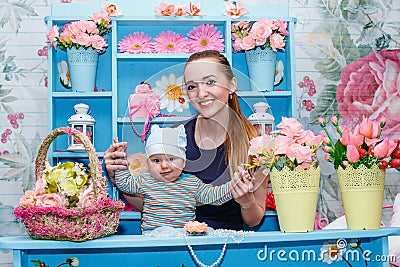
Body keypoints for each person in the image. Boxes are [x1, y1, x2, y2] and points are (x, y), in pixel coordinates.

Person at [104, 50, 268, 230]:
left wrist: (246, 202)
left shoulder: (255, 143)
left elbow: (254, 220)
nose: (201, 93)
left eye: (210, 82)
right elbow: (156, 204)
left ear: (231, 85)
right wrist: (117, 174)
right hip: (177, 244)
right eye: (192, 86)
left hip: (225, 246)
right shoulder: (175, 136)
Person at [114, 124, 237, 232]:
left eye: (171, 159)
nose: (164, 165)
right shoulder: (145, 180)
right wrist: (120, 160)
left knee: (206, 232)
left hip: (184, 238)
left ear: (183, 162)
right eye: (156, 160)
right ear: (148, 163)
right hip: (154, 236)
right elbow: (124, 184)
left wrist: (234, 185)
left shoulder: (191, 183)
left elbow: (213, 196)